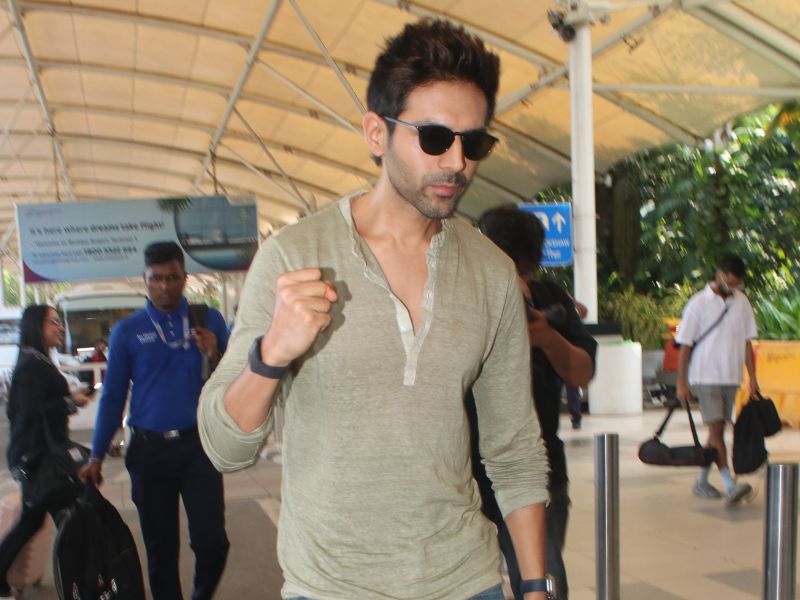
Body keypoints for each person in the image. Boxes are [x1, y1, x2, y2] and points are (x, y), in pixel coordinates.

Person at [198, 19, 551, 600]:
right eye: (434, 138)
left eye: (474, 144)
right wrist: (271, 354)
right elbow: (224, 447)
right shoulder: (294, 257)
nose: (457, 162)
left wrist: (536, 586)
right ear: (376, 133)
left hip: (466, 580)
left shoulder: (491, 273)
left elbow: (513, 446)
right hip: (330, 586)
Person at [80, 241, 230, 600]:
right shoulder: (128, 331)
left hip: (199, 447)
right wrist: (96, 454)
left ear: (185, 278)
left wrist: (216, 354)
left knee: (212, 543)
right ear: (145, 279)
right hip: (149, 452)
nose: (164, 286)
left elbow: (238, 379)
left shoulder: (208, 319)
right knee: (161, 552)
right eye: (156, 278)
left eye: (172, 278)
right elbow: (113, 396)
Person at [468, 206, 596, 600]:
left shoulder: (549, 300)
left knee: (543, 581)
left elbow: (582, 372)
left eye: (519, 270)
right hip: (461, 472)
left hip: (538, 468)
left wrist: (547, 338)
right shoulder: (460, 298)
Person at [0, 306, 91, 599]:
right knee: (69, 520)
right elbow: (30, 413)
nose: (60, 327)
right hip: (39, 459)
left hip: (41, 457)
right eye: (53, 322)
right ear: (36, 326)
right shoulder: (33, 365)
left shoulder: (35, 360)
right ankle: (82, 584)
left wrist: (68, 400)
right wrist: (70, 402)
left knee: (36, 520)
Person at [676, 254, 758, 507]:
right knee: (716, 429)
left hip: (730, 377)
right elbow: (685, 346)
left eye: (737, 284)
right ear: (719, 275)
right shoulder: (698, 304)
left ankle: (701, 481)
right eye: (729, 283)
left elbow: (747, 343)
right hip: (706, 376)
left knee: (718, 431)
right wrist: (681, 382)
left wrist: (752, 377)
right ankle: (729, 485)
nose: (733, 288)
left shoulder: (742, 303)